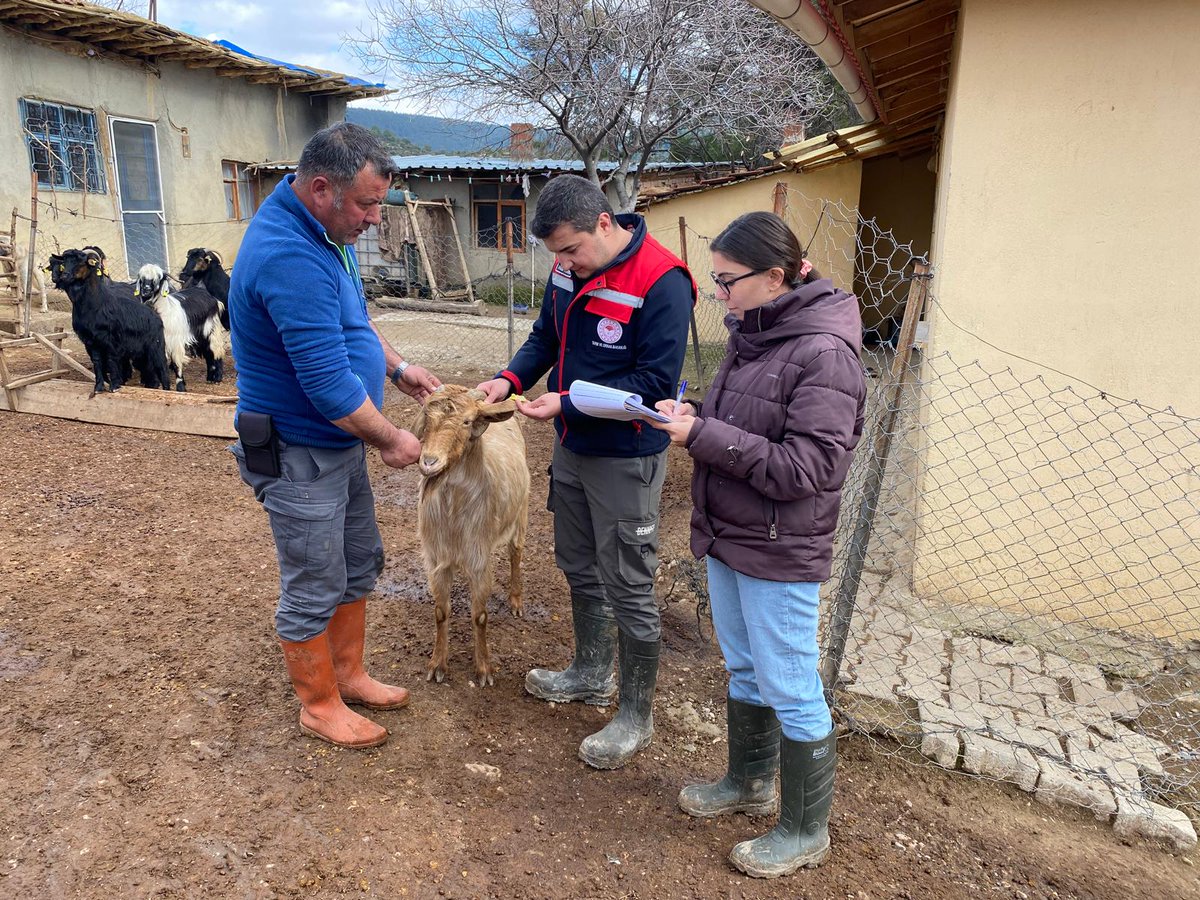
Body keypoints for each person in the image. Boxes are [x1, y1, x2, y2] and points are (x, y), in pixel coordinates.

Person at [649, 211, 865, 878]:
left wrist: (703, 439)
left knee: (792, 685)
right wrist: (696, 419)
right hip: (732, 535)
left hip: (779, 547)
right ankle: (748, 783)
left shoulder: (824, 353)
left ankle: (805, 830)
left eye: (727, 281)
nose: (720, 295)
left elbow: (808, 470)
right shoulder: (757, 335)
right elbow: (743, 423)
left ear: (775, 276)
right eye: (715, 281)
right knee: (745, 668)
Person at [229, 122, 441, 750]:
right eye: (368, 204)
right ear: (321, 188)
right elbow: (326, 386)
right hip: (299, 451)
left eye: (380, 202)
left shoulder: (325, 232)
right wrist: (393, 439)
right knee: (313, 579)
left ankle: (348, 672)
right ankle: (318, 703)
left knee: (355, 561)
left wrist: (396, 368)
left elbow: (353, 319)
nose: (376, 218)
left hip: (336, 446)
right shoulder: (289, 255)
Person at [477, 174, 695, 769]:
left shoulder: (663, 281)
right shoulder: (568, 268)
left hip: (626, 456)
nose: (565, 262)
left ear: (605, 223)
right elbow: (547, 335)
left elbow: (654, 383)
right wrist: (510, 379)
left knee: (628, 578)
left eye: (571, 249)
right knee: (578, 562)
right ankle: (591, 671)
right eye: (556, 255)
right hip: (573, 449)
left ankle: (635, 714)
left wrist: (566, 400)